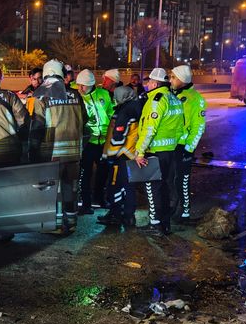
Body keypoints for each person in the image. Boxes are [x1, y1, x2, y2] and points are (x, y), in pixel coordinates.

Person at [32, 59, 85, 233]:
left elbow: (38, 125)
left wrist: (33, 149)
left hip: (54, 151)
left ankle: (55, 224)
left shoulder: (42, 96)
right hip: (75, 151)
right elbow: (84, 119)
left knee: (55, 189)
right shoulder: (76, 95)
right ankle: (71, 222)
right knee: (71, 186)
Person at [133, 67, 184, 236]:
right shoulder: (174, 99)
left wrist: (140, 152)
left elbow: (149, 129)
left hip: (155, 151)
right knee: (165, 187)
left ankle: (155, 224)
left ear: (154, 83)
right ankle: (165, 224)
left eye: (148, 82)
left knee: (153, 187)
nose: (146, 85)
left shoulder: (156, 100)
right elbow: (179, 127)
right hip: (171, 151)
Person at [99, 85, 142, 228]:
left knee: (114, 185)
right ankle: (129, 216)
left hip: (121, 155)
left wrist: (110, 156)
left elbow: (118, 136)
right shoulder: (138, 107)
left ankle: (115, 214)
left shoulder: (124, 111)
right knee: (129, 187)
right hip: (133, 154)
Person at [169, 64, 207, 223]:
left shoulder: (196, 99)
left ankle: (185, 212)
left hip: (183, 147)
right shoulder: (172, 95)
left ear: (182, 80)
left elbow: (199, 127)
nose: (170, 80)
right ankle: (172, 206)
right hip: (170, 145)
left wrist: (189, 149)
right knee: (170, 179)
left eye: (173, 77)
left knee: (182, 180)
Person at [76, 69, 114, 215]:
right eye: (79, 85)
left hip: (103, 141)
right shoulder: (78, 98)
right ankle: (85, 204)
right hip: (88, 142)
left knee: (103, 172)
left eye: (83, 86)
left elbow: (111, 114)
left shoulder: (103, 94)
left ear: (91, 85)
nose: (80, 88)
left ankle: (100, 199)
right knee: (85, 174)